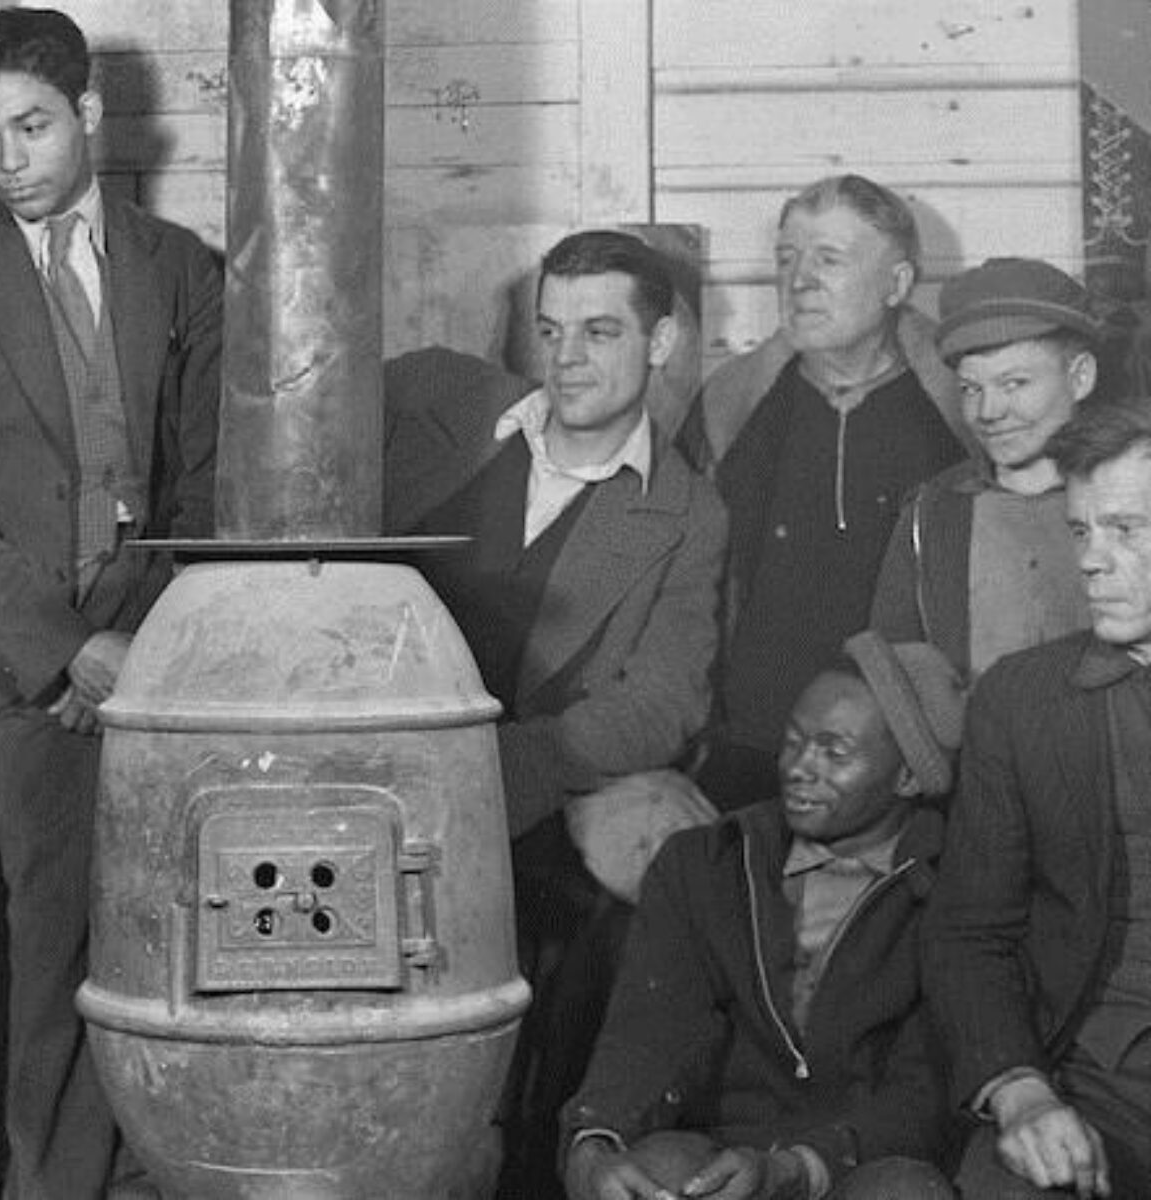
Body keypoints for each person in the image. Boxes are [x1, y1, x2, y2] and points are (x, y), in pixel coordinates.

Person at [0, 8, 223, 1196]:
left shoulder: (182, 269)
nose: (8, 160)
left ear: (91, 115)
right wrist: (71, 653)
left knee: (185, 943)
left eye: (32, 127)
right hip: (34, 688)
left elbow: (206, 482)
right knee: (55, 967)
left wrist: (140, 639)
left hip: (168, 664)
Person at [382, 230, 727, 1189]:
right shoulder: (438, 399)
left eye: (600, 332)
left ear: (661, 344)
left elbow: (664, 701)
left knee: (512, 1079)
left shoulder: (686, 513)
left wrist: (504, 770)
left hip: (523, 813)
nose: (566, 358)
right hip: (361, 780)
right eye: (550, 329)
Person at [562, 631, 964, 1200]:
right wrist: (594, 1143)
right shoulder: (708, 863)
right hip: (725, 1162)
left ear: (909, 777)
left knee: (906, 1192)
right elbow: (646, 1036)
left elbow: (921, 1098)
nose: (799, 767)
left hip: (860, 1161)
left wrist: (796, 1169)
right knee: (658, 1170)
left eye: (834, 753)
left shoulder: (951, 891)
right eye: (793, 741)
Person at [926, 396, 1151, 1198]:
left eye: (1126, 529)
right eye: (1081, 531)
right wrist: (1020, 1092)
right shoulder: (1022, 701)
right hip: (1091, 1091)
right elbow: (968, 933)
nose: (1091, 560)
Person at [679, 174, 966, 804]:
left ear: (897, 285)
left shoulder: (961, 413)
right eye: (787, 258)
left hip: (909, 764)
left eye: (829, 259)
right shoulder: (730, 406)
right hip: (749, 750)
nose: (799, 280)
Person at [871, 257, 1103, 678]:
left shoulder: (1130, 497)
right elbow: (897, 669)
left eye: (1014, 383)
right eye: (970, 388)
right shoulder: (931, 514)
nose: (988, 411)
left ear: (1080, 377)